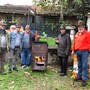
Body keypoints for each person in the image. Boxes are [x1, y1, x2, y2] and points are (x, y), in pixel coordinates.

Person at [72, 20, 90, 86]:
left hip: (84, 52)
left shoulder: (87, 34)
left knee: (84, 66)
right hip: (78, 51)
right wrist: (73, 50)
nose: (80, 28)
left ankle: (84, 79)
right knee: (79, 65)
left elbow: (89, 43)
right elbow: (74, 43)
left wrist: (89, 51)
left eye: (81, 26)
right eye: (79, 26)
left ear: (84, 27)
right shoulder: (76, 34)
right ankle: (79, 76)